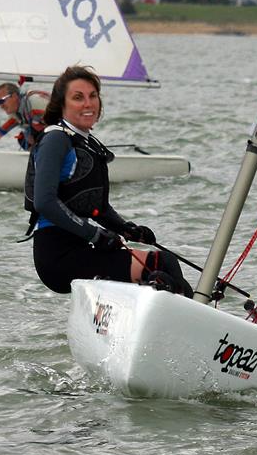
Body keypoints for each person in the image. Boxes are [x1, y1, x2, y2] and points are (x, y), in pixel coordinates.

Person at [26, 65, 192, 297]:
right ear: (61, 104)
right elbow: (44, 202)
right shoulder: (56, 139)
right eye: (78, 97)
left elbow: (95, 206)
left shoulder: (82, 140)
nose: (88, 103)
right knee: (159, 269)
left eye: (93, 96)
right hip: (57, 256)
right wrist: (94, 234)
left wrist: (126, 229)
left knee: (165, 264)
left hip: (81, 247)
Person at [0, 83, 50, 150]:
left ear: (14, 96)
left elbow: (59, 121)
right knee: (22, 138)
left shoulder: (35, 103)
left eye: (2, 101)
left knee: (36, 135)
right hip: (50, 139)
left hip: (58, 137)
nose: (1, 106)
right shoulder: (18, 113)